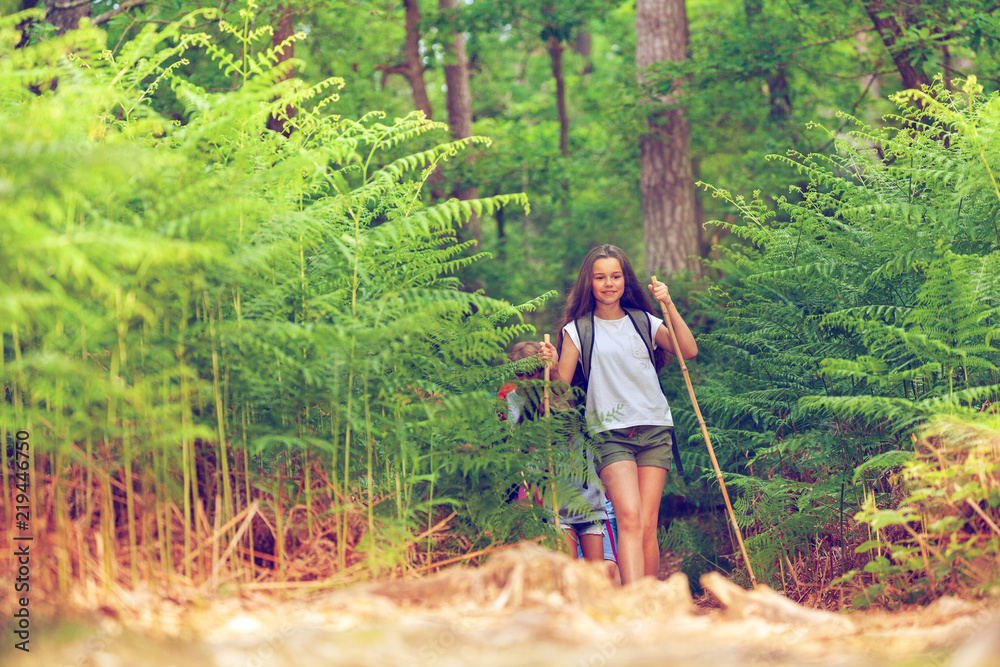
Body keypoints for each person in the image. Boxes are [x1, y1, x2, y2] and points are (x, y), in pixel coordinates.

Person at [539, 244, 698, 585]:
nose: (608, 283)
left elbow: (688, 350)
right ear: (589, 282)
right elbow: (559, 392)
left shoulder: (645, 321)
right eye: (600, 277)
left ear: (626, 280)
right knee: (628, 516)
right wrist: (550, 366)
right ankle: (630, 602)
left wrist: (667, 304)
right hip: (609, 434)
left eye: (615, 276)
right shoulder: (577, 330)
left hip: (654, 428)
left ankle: (649, 602)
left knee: (646, 524)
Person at [503, 341, 612, 573]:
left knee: (596, 573)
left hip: (586, 495)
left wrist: (553, 385)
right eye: (519, 375)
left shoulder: (567, 392)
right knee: (568, 570)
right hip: (555, 498)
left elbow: (578, 423)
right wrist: (532, 412)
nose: (525, 381)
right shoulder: (514, 399)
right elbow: (518, 438)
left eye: (531, 374)